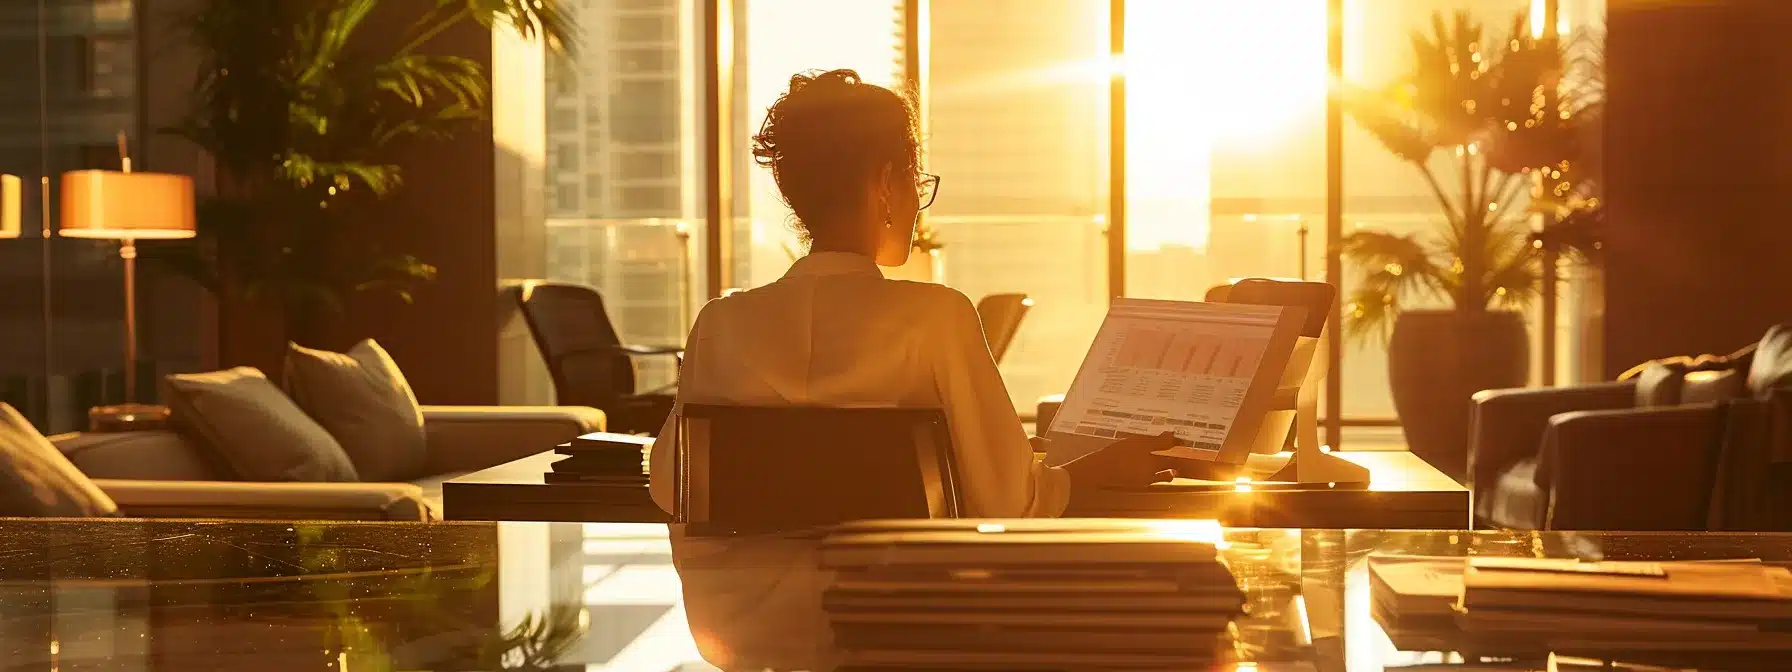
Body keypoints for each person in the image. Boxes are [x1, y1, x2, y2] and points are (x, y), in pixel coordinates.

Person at [646, 69, 1175, 670]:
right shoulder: (935, 316)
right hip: (907, 631)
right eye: (916, 179)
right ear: (886, 182)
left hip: (746, 633)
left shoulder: (722, 322)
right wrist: (1081, 473)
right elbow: (1009, 501)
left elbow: (673, 484)